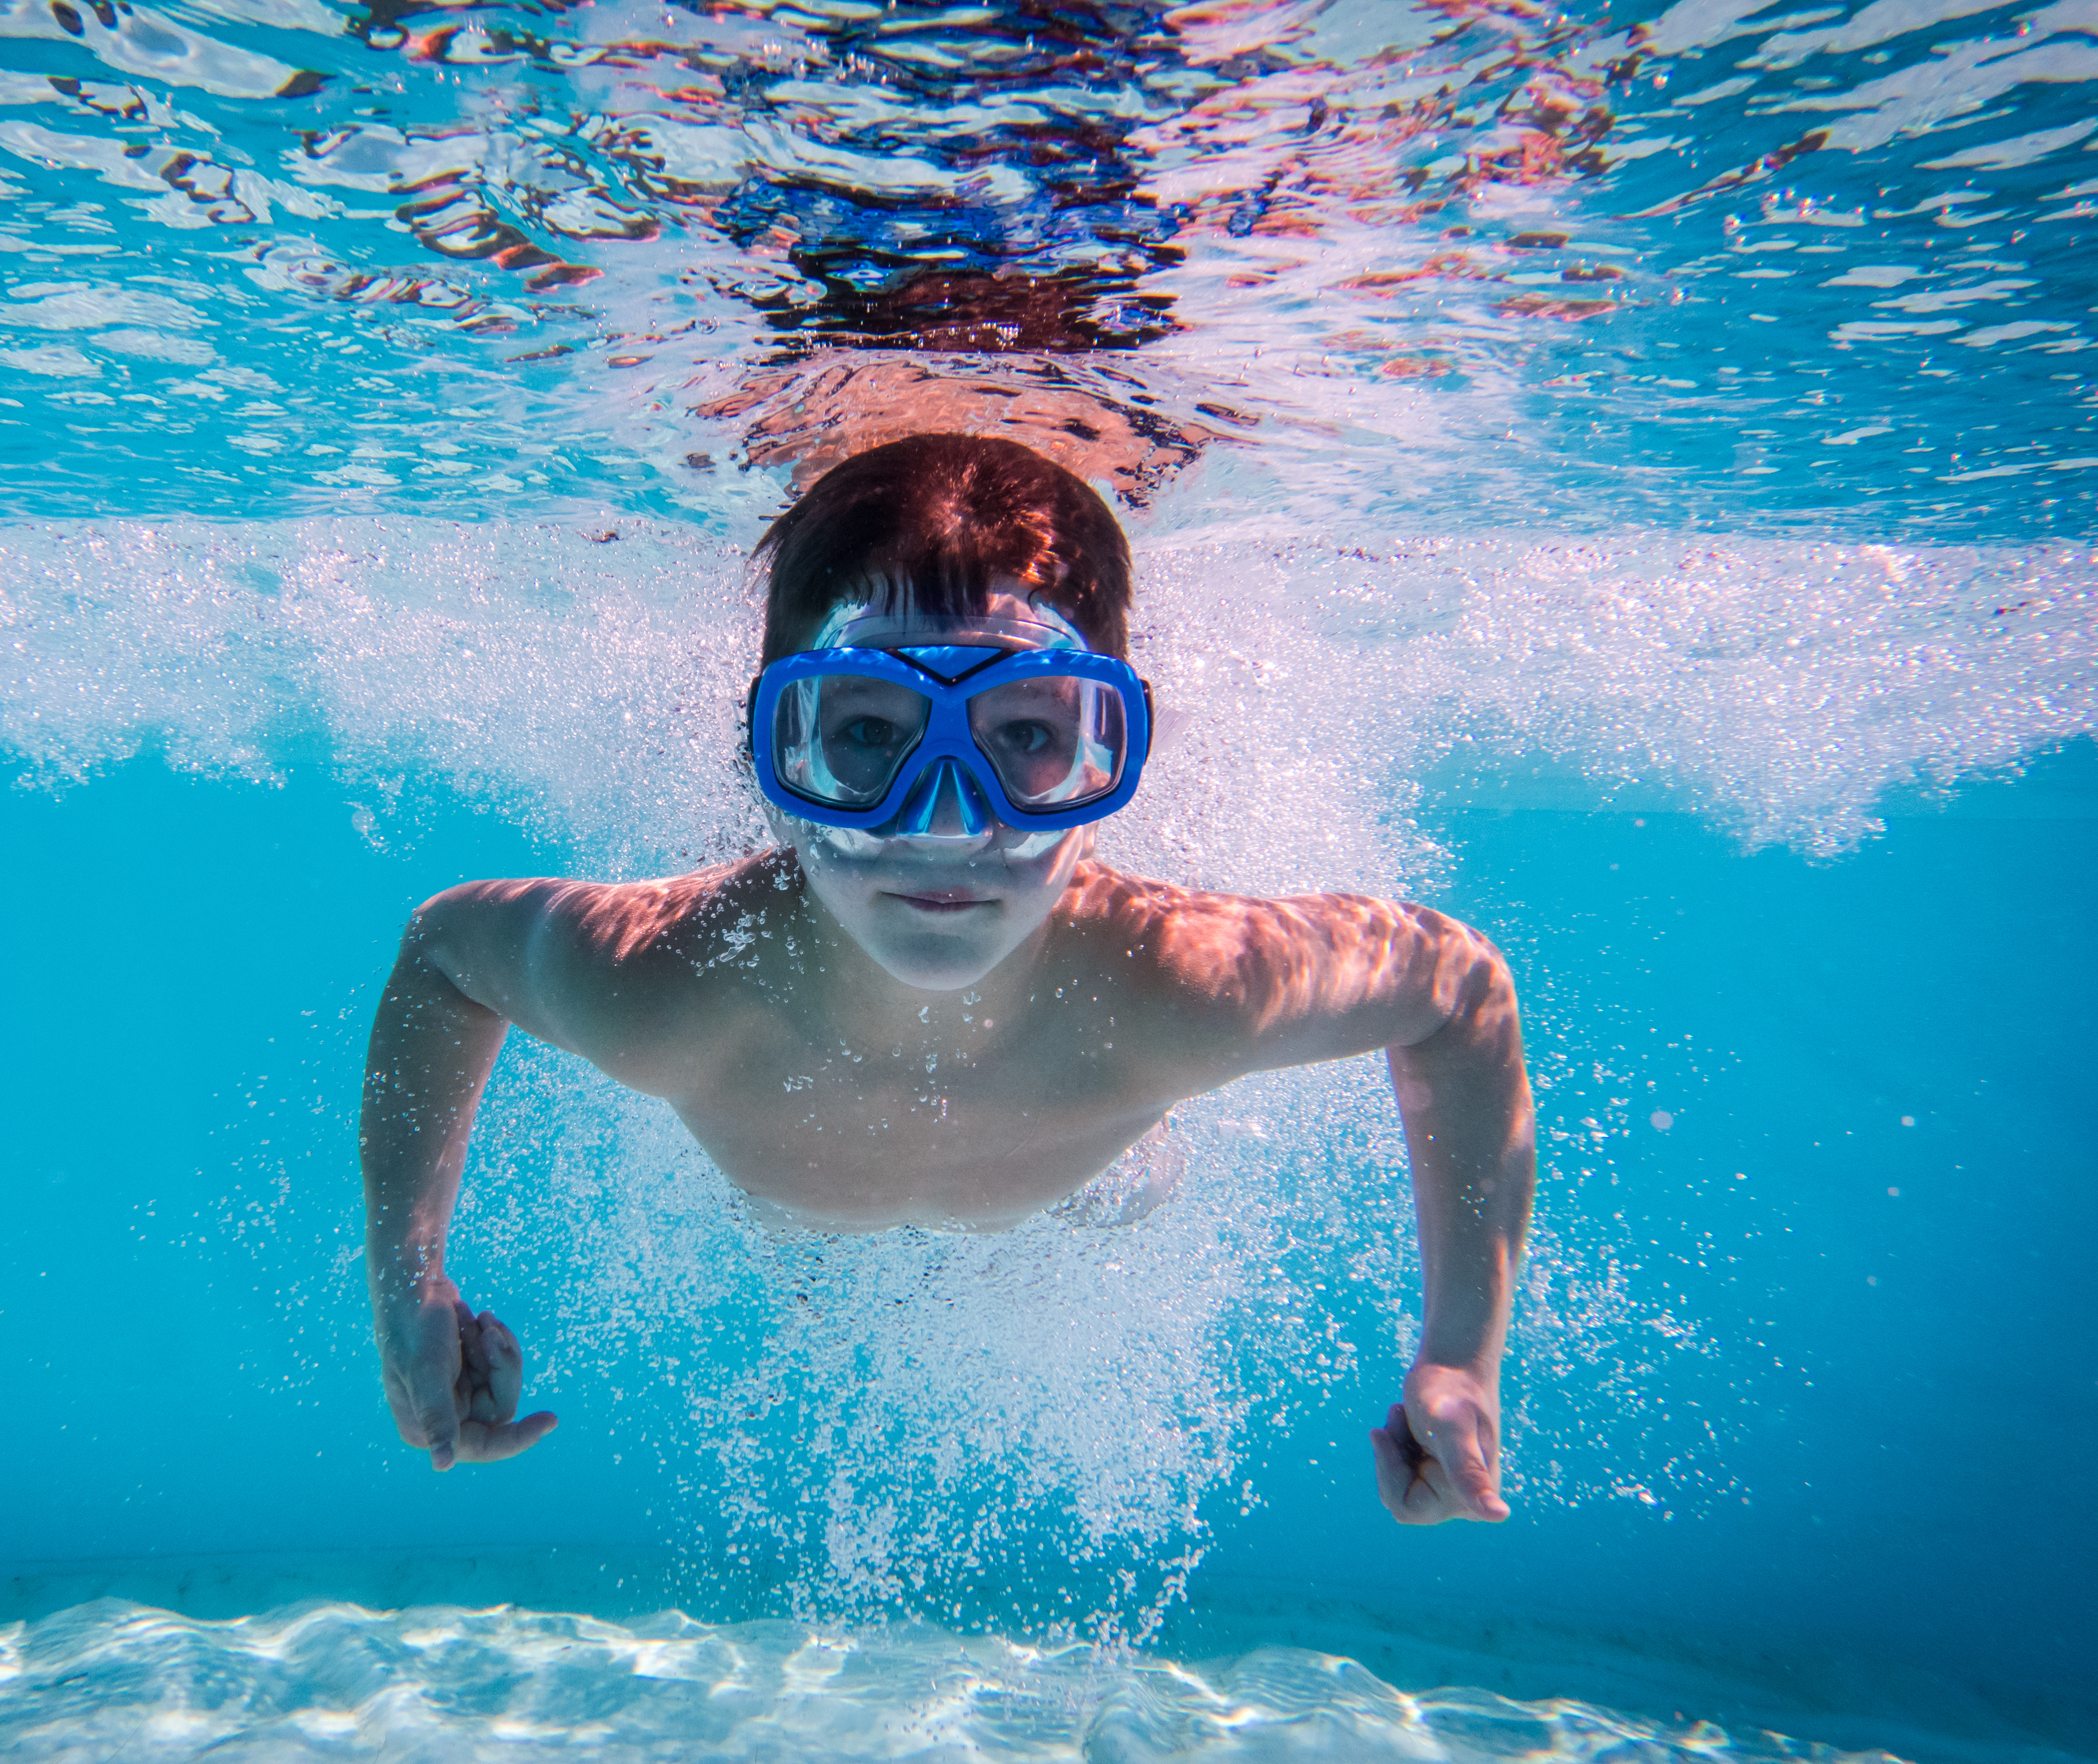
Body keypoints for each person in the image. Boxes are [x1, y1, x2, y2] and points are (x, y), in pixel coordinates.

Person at [360, 434, 1536, 1526]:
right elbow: (441, 953)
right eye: (869, 737)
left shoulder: (1181, 994)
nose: (944, 818)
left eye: (1025, 738)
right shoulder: (673, 987)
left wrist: (1462, 1355)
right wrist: (407, 1277)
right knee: (811, 1262)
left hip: (1087, 1194)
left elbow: (1459, 990)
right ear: (774, 755)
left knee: (1124, 1193)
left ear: (1112, 755)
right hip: (803, 1223)